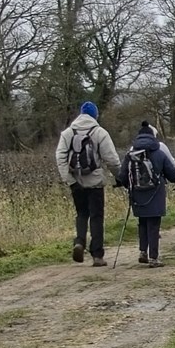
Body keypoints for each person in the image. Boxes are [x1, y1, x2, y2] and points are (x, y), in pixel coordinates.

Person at [53, 101, 120, 265]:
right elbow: (111, 159)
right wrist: (119, 177)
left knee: (82, 214)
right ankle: (97, 255)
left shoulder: (68, 133)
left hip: (76, 181)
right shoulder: (100, 132)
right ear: (95, 115)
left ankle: (79, 242)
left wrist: (68, 180)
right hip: (95, 182)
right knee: (97, 217)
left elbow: (60, 157)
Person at [121, 119, 174, 265]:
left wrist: (130, 187)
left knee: (142, 222)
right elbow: (174, 175)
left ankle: (143, 251)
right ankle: (154, 258)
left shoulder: (130, 154)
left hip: (138, 196)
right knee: (154, 225)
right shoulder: (159, 153)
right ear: (153, 137)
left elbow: (122, 176)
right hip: (155, 195)